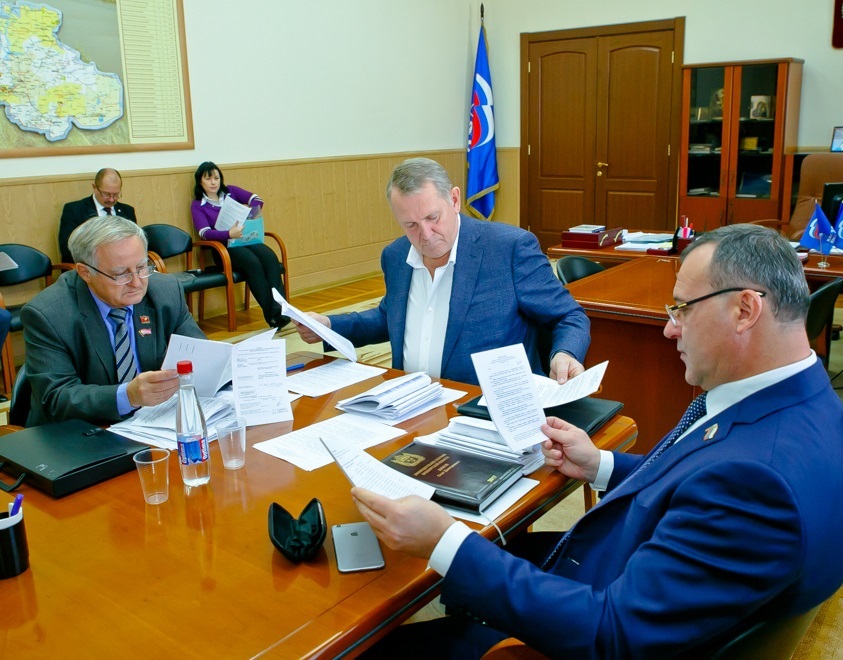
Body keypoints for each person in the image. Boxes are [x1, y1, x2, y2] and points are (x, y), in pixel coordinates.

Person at [352, 224, 843, 658]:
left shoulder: (755, 485)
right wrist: (600, 465)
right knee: (497, 549)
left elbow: (612, 635)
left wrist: (444, 541)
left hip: (593, 613)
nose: (669, 329)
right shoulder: (806, 402)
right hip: (640, 567)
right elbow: (697, 472)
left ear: (745, 309)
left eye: (681, 309)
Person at [294, 157, 590, 385]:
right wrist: (328, 326)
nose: (425, 234)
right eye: (411, 225)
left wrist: (564, 353)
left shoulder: (508, 248)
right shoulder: (395, 256)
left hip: (483, 410)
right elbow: (391, 317)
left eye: (432, 217)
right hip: (407, 403)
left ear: (455, 200)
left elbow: (569, 316)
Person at [22, 216, 205, 427]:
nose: (137, 283)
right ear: (85, 272)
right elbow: (56, 398)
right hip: (81, 431)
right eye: (120, 274)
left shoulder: (166, 291)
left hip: (156, 422)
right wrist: (128, 396)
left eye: (142, 267)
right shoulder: (48, 314)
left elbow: (201, 355)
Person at [190, 161, 287, 328]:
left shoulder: (231, 192)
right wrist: (228, 234)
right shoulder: (198, 205)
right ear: (200, 181)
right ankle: (274, 315)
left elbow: (257, 200)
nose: (213, 182)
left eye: (216, 178)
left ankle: (283, 310)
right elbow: (204, 233)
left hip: (245, 240)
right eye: (208, 179)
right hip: (224, 249)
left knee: (270, 258)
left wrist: (248, 214)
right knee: (253, 263)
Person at [58, 168, 137, 263]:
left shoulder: (127, 211)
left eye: (116, 194)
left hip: (124, 264)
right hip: (91, 265)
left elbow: (135, 243)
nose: (111, 199)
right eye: (106, 194)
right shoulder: (75, 210)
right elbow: (68, 249)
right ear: (94, 187)